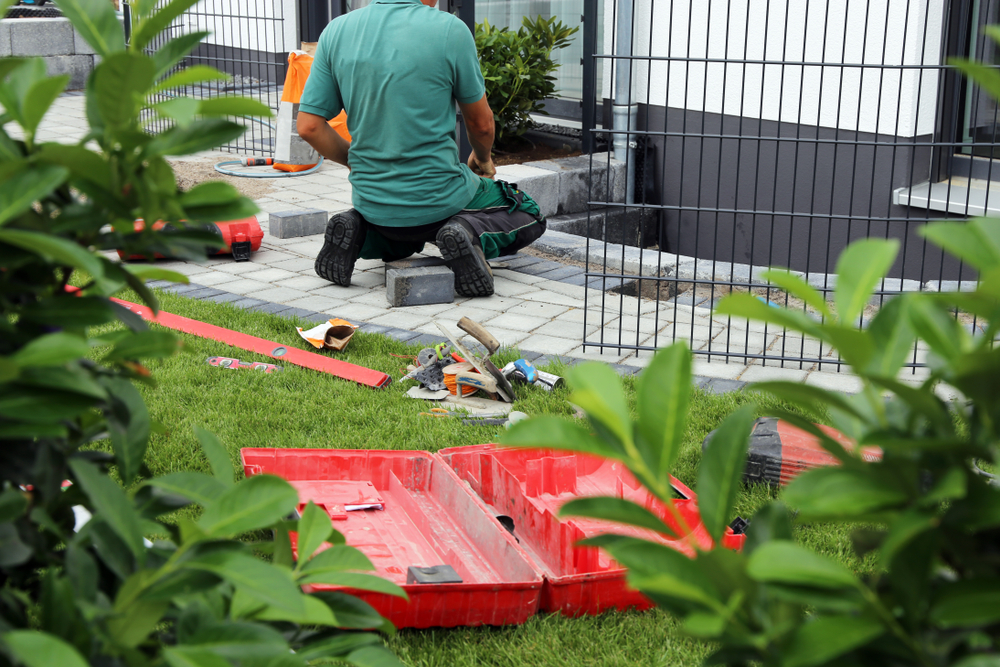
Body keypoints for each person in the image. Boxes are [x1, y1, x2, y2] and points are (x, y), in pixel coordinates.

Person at [295, 0, 546, 297]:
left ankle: (361, 232)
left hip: (373, 203)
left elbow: (308, 126)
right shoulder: (449, 30)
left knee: (404, 234)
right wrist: (482, 159)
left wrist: (355, 161)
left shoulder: (336, 31)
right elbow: (481, 124)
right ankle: (467, 231)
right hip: (442, 197)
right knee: (529, 211)